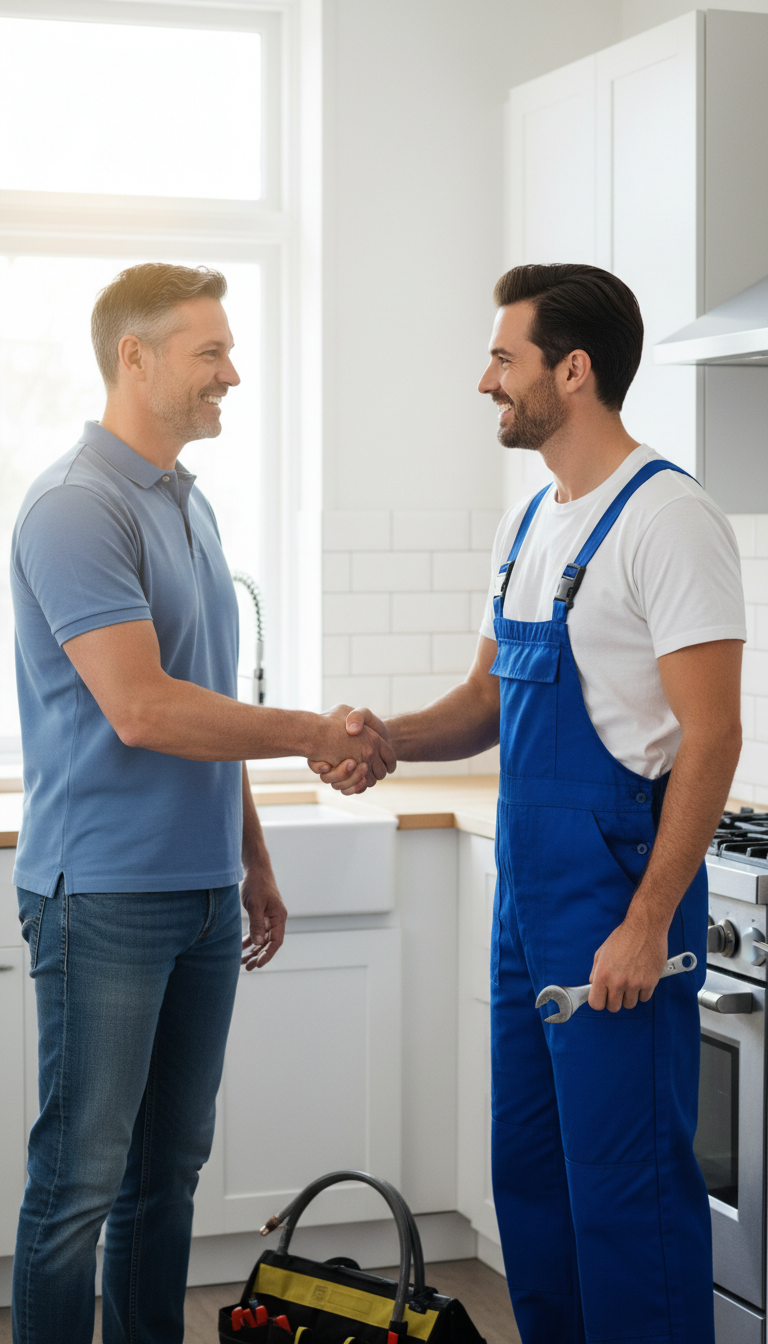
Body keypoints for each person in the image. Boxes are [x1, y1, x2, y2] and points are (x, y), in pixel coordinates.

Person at [313, 264, 746, 1344]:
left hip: (614, 900)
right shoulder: (530, 524)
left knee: (626, 1194)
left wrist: (647, 922)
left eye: (503, 358)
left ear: (575, 370)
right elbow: (487, 701)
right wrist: (384, 743)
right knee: (535, 1181)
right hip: (528, 903)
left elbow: (716, 733)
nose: (484, 381)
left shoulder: (669, 518)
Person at [10, 262, 394, 1344]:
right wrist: (316, 733)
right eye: (210, 352)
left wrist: (253, 860)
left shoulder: (188, 500)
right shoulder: (76, 506)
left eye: (229, 349)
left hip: (197, 892)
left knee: (166, 1174)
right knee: (79, 1182)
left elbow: (207, 705)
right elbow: (143, 709)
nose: (234, 371)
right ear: (134, 359)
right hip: (104, 896)